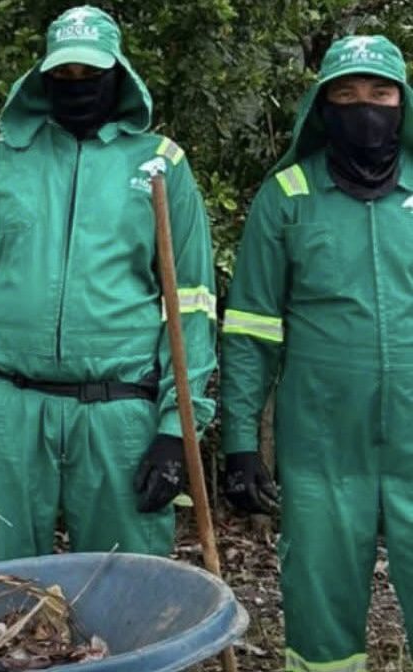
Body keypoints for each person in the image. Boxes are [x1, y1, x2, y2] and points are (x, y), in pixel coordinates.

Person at [0, 5, 217, 563]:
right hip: (7, 405)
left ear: (119, 74)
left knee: (127, 578)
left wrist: (176, 430)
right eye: (64, 74)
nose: (78, 85)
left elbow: (189, 306)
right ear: (43, 77)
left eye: (91, 73)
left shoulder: (161, 164)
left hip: (119, 410)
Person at [222, 34, 413, 672]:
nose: (366, 108)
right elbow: (249, 328)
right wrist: (240, 443)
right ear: (322, 106)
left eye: (380, 93)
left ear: (403, 103)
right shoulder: (287, 195)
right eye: (347, 95)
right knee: (320, 607)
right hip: (322, 445)